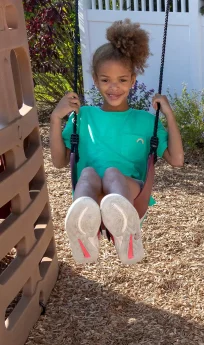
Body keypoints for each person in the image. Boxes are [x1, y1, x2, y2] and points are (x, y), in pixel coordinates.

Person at [49, 19, 184, 265]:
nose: (114, 87)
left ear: (133, 80)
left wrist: (169, 116)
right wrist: (55, 118)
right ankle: (84, 234)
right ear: (95, 79)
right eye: (105, 80)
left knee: (112, 174)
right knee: (88, 173)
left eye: (122, 80)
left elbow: (176, 159)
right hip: (89, 197)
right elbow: (59, 162)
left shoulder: (144, 120)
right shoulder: (83, 116)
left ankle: (126, 234)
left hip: (130, 196)